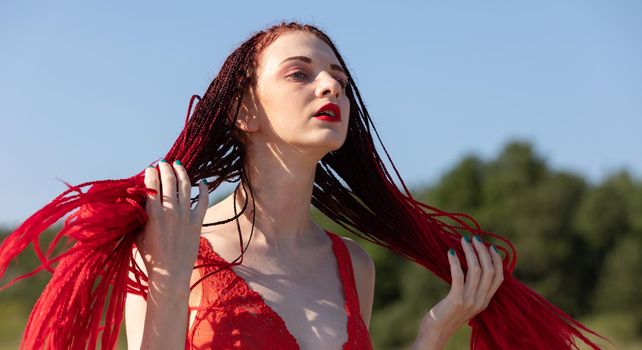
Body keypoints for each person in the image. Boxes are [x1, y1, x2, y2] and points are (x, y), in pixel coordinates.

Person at [0, 21, 608, 350]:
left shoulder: (353, 265)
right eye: (301, 73)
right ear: (244, 110)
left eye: (339, 78)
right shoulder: (170, 240)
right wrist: (171, 274)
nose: (330, 87)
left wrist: (436, 329)